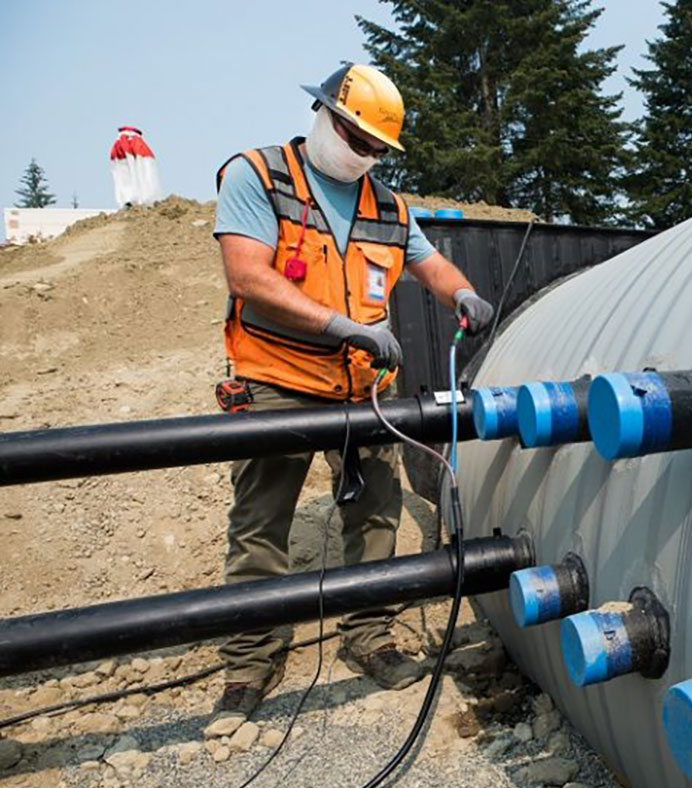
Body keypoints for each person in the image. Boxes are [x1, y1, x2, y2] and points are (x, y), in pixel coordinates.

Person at [205, 64, 494, 733]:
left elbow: (427, 260)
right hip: (277, 382)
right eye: (356, 138)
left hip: (360, 390)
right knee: (260, 525)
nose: (364, 155)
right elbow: (247, 275)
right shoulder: (261, 176)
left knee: (375, 516)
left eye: (376, 150)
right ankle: (252, 660)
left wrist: (461, 293)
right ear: (325, 117)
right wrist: (342, 326)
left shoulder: (385, 206)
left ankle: (371, 635)